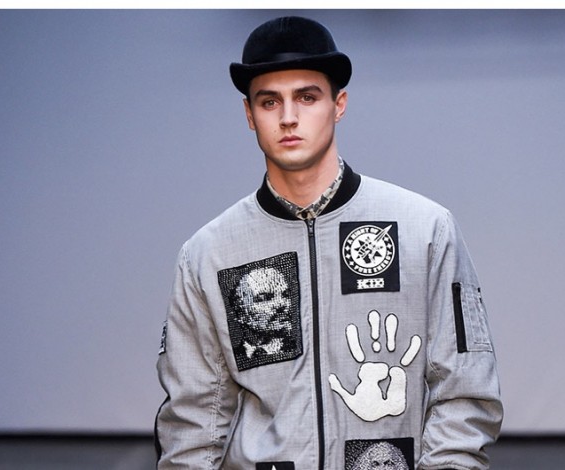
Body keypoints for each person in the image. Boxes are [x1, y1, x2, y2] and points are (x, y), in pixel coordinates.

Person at [155, 15, 503, 470]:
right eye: (269, 101)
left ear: (339, 105)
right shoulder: (209, 253)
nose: (288, 117)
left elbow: (466, 393)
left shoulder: (425, 230)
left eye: (307, 97)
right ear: (249, 115)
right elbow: (193, 421)